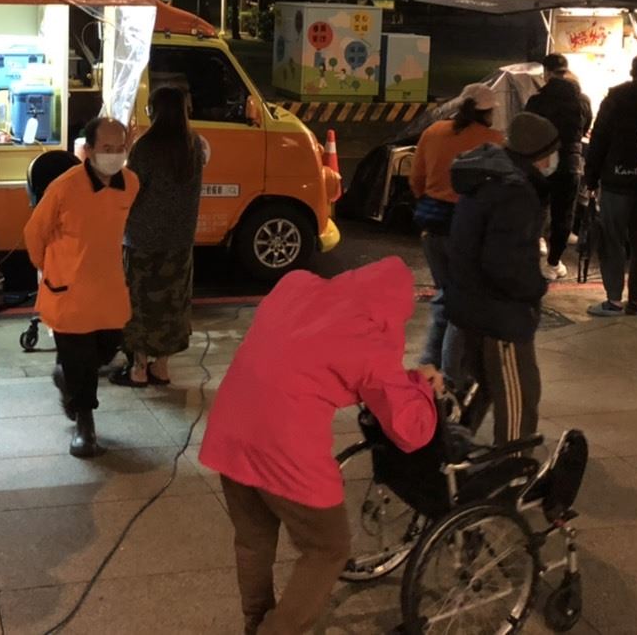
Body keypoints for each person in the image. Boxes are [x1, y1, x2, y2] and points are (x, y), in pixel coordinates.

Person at [200, 257, 440, 635]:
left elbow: (314, 359)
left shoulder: (295, 287)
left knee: (253, 541)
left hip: (230, 428)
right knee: (328, 548)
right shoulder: (369, 339)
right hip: (284, 447)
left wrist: (402, 379)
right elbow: (411, 429)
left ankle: (255, 622)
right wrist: (422, 387)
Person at [23, 116, 138, 457]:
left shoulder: (131, 184)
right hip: (69, 290)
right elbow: (34, 234)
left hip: (108, 289)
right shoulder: (64, 187)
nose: (114, 155)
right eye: (106, 148)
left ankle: (66, 378)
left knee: (106, 350)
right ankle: (84, 426)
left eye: (120, 148)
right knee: (80, 360)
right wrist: (51, 268)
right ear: (88, 150)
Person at [445, 112, 560, 444]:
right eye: (551, 153)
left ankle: (451, 452)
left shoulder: (488, 178)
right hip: (499, 316)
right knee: (519, 397)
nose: (553, 160)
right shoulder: (514, 192)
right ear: (539, 153)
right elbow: (506, 265)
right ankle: (512, 466)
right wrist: (536, 288)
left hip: (470, 306)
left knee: (480, 389)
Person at [113, 86, 208, 388]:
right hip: (179, 240)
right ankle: (162, 367)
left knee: (139, 302)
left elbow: (130, 187)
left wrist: (126, 151)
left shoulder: (146, 147)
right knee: (173, 302)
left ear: (154, 111)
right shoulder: (193, 146)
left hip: (142, 238)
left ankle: (139, 368)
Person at [409, 82, 503, 384]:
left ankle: (433, 368)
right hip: (468, 230)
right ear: (487, 112)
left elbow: (416, 179)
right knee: (460, 305)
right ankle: (448, 375)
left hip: (433, 224)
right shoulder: (494, 141)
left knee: (446, 297)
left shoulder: (433, 132)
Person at [584, 53, 637, 317]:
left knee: (612, 240)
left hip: (616, 179)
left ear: (632, 71)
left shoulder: (615, 98)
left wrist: (591, 177)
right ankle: (636, 302)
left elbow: (599, 138)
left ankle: (614, 300)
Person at [524, 57, 592, 281]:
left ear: (547, 72)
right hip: (569, 162)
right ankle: (553, 264)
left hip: (540, 162)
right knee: (563, 214)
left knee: (536, 208)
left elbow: (527, 129)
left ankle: (534, 249)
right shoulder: (582, 100)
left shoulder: (537, 100)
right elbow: (585, 127)